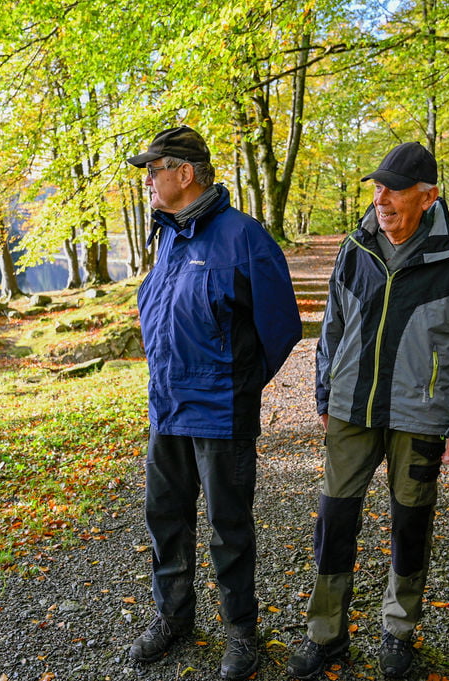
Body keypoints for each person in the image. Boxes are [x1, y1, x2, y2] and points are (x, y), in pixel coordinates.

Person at [288, 142, 449, 679]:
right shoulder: (355, 247)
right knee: (334, 522)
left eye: (395, 189)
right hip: (352, 410)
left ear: (427, 197)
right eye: (378, 188)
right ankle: (325, 634)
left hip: (422, 417)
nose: (382, 199)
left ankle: (398, 631)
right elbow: (331, 328)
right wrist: (323, 395)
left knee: (410, 525)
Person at [125, 125, 302, 680]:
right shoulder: (168, 236)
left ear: (184, 173)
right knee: (166, 520)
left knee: (229, 527)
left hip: (222, 413)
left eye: (154, 171)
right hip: (167, 409)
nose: (148, 181)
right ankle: (173, 619)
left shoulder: (243, 237)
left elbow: (281, 328)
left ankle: (241, 633)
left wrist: (238, 386)